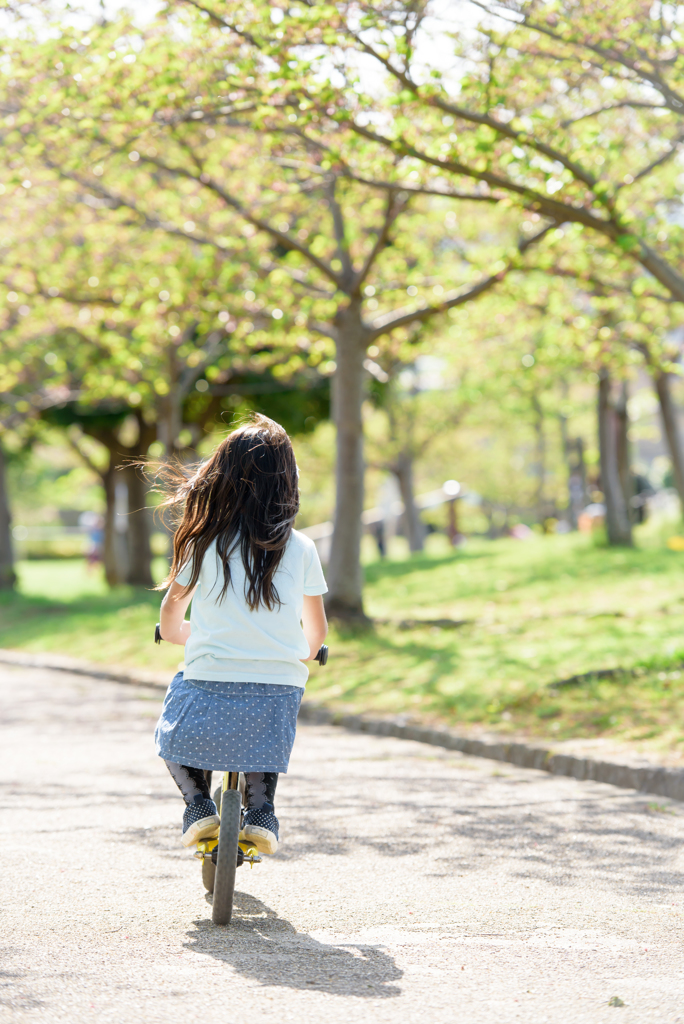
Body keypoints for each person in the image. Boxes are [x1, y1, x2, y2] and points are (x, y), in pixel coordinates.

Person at [153, 414, 328, 856]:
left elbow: (173, 608)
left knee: (173, 733)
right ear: (286, 484)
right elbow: (316, 628)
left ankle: (197, 805)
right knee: (263, 744)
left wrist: (176, 634)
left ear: (221, 478)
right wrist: (306, 651)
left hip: (210, 675)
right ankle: (263, 812)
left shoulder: (203, 541)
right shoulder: (302, 547)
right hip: (278, 684)